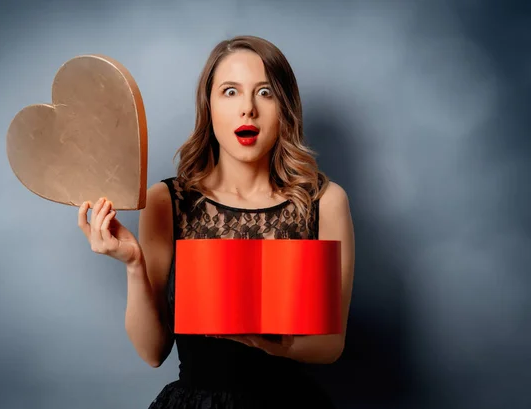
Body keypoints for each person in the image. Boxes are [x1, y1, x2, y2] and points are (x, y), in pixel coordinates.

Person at [78, 35, 355, 408]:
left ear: (285, 107)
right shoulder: (167, 201)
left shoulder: (326, 202)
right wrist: (133, 263)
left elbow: (330, 346)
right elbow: (152, 352)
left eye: (265, 93)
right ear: (208, 106)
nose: (248, 110)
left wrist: (265, 342)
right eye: (230, 92)